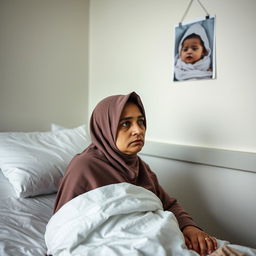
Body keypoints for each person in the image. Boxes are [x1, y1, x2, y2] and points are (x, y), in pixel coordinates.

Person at [53, 92, 217, 256]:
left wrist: (189, 227)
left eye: (141, 122)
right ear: (105, 127)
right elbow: (64, 227)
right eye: (125, 124)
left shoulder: (140, 166)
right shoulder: (84, 166)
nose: (138, 130)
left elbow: (168, 204)